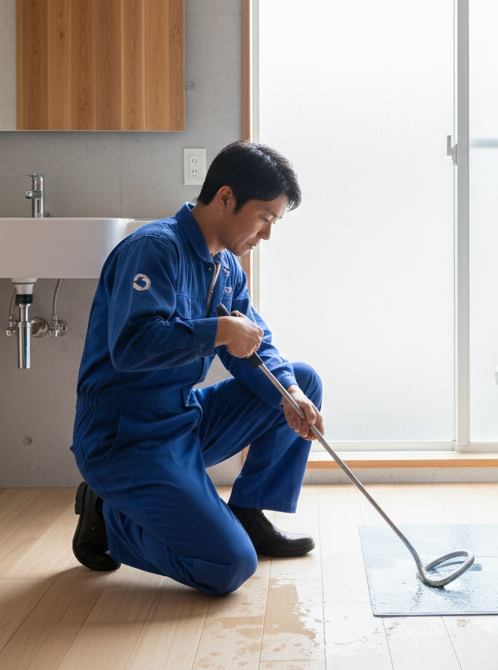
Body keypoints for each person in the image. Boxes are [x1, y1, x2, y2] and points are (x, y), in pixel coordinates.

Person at [69, 140, 325, 596]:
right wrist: (220, 331)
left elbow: (255, 347)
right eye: (265, 216)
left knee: (300, 380)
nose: (267, 234)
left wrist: (291, 394)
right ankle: (109, 519)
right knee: (228, 567)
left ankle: (248, 512)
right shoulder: (153, 249)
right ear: (226, 198)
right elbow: (131, 346)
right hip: (125, 435)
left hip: (183, 418)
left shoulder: (226, 267)